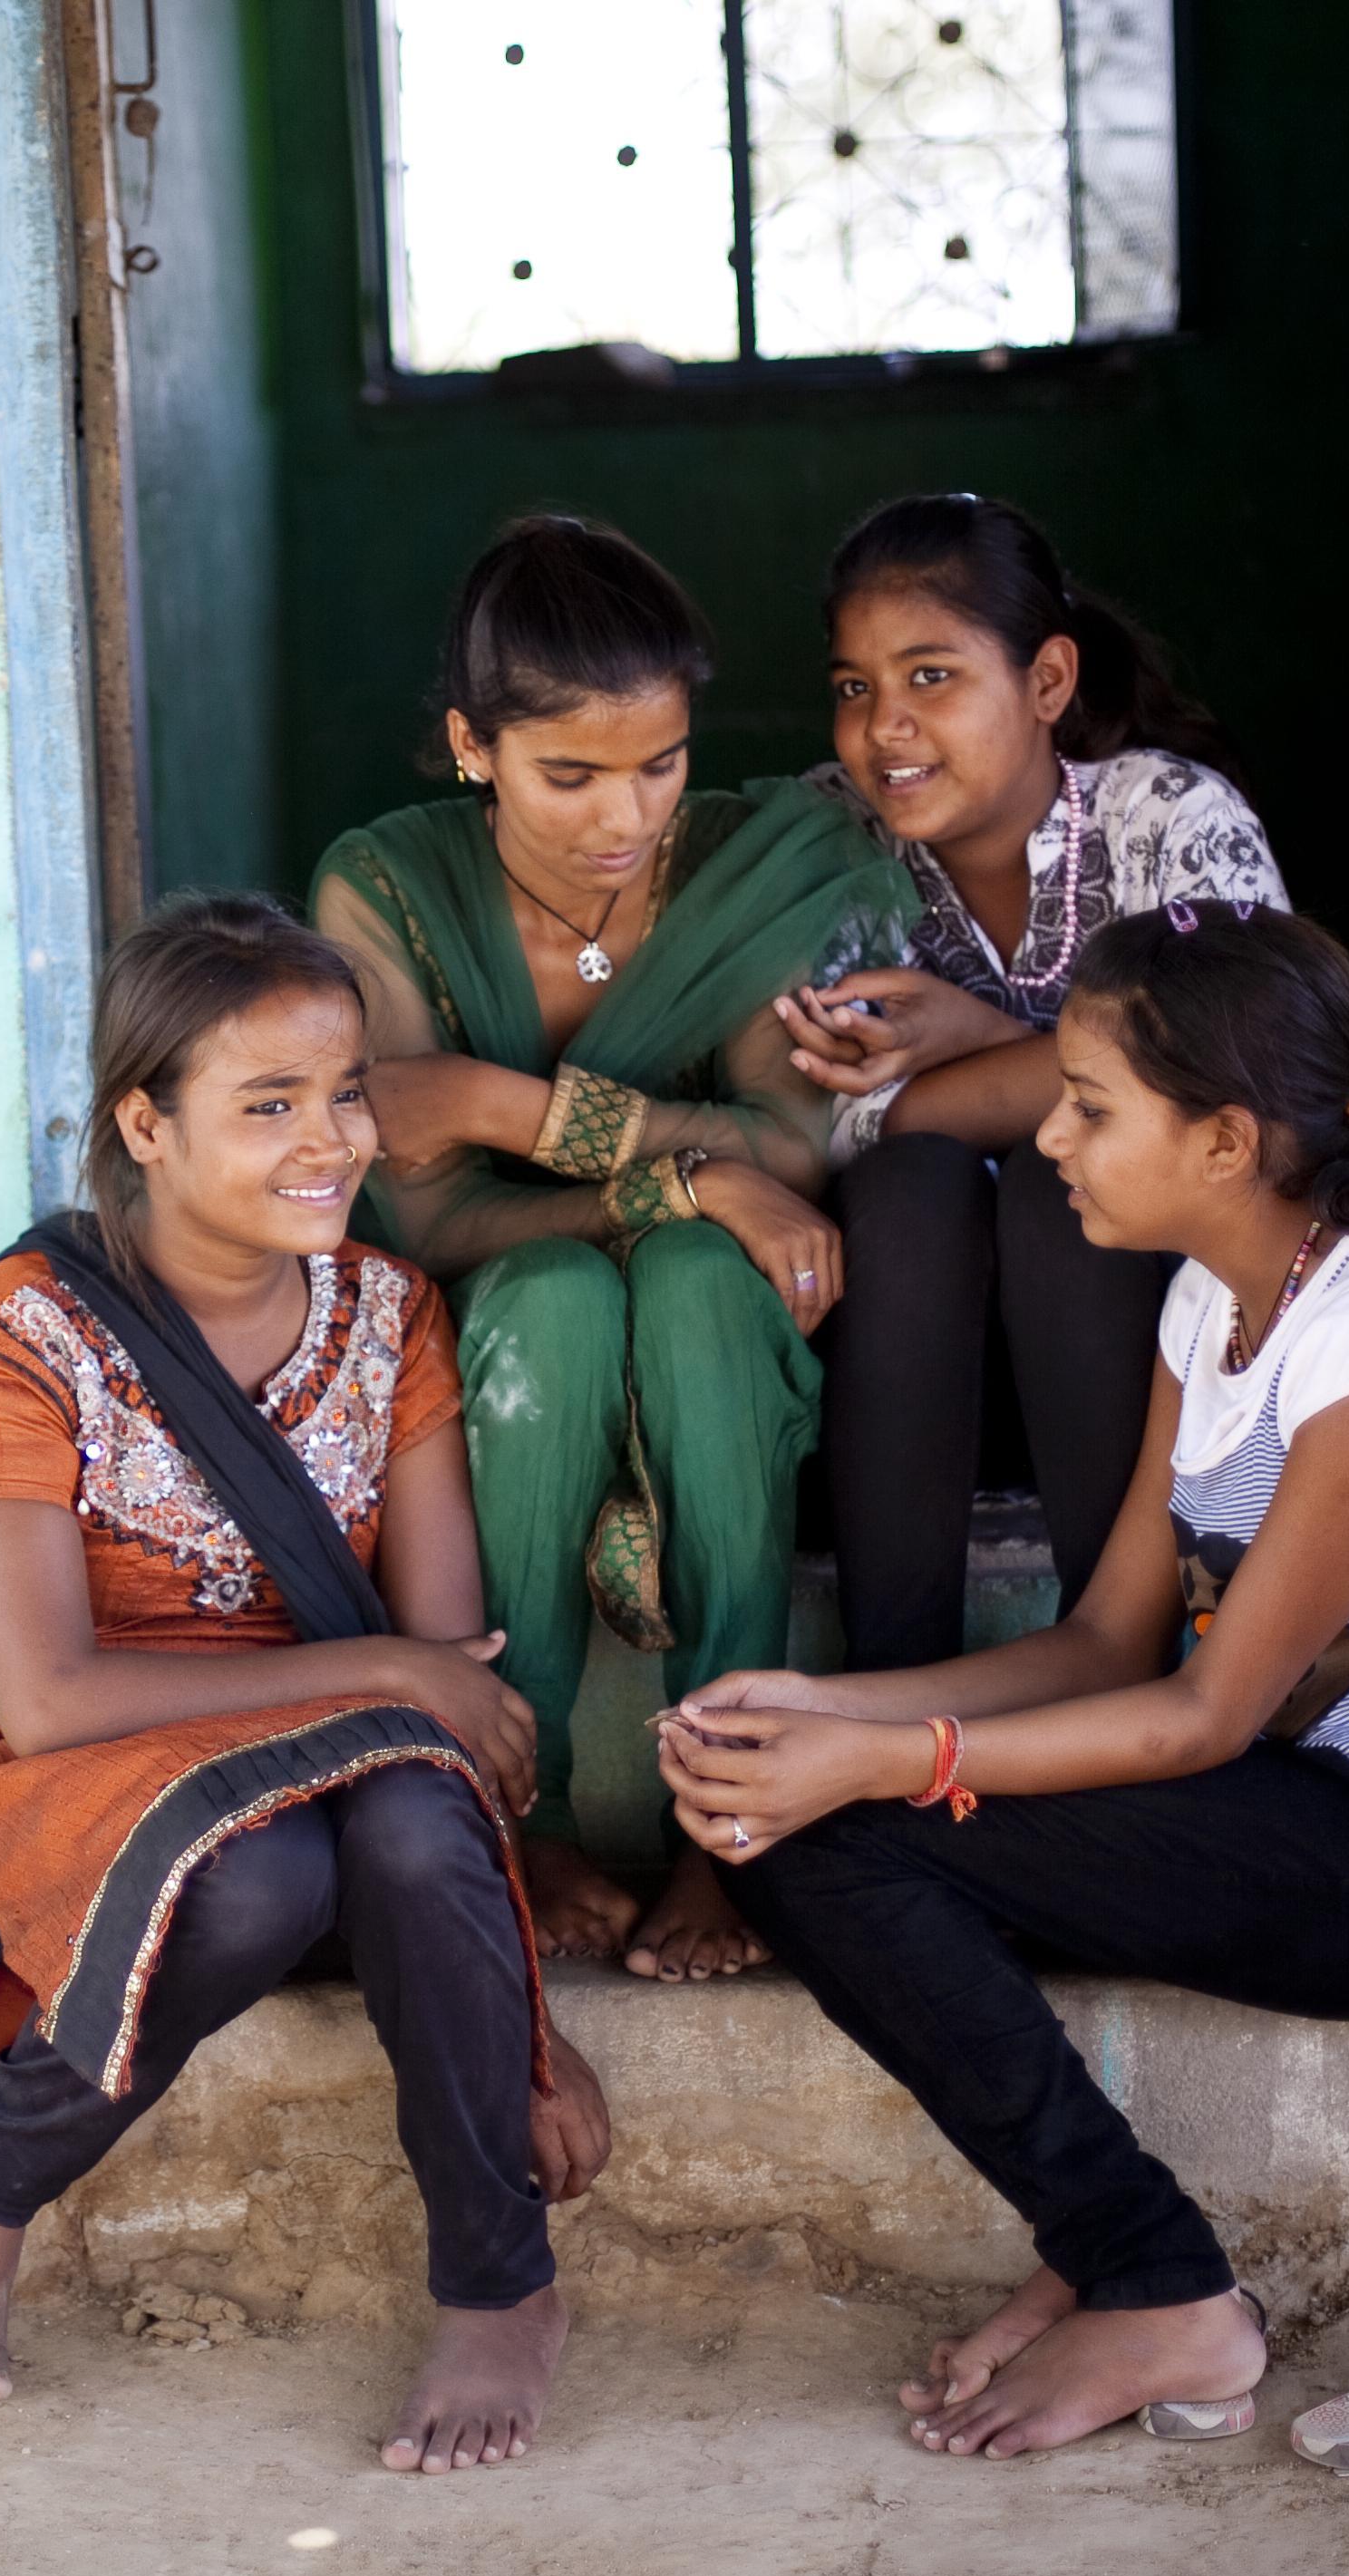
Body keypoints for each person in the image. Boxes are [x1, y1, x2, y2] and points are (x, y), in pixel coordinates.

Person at [660, 905, 1349, 2458]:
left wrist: (886, 1763)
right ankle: (1102, 2253)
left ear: (1223, 1142)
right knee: (802, 1828)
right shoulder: (1217, 1299)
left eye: (1090, 1107)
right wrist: (824, 1711)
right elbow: (1103, 1645)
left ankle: (1164, 2286)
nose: (1053, 1139)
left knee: (845, 1837)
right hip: (1304, 1800)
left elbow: (1204, 1715)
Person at [0, 895, 612, 2474]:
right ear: (144, 1123)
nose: (331, 1138)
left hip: (348, 1746)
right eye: (268, 1104)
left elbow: (453, 1673)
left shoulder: (385, 1316)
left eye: (344, 1091)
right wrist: (389, 1674)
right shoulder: (22, 1336)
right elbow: (57, 1693)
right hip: (90, 1760)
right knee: (250, 1882)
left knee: (418, 1830)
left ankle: (500, 2287)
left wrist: (519, 2014)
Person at [310, 515, 913, 1985]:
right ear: (473, 745)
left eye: (659, 762)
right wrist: (683, 1180)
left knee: (710, 1290)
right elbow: (439, 1220)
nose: (623, 816)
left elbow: (788, 1145)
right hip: (507, 1317)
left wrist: (499, 1105)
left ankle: (729, 1824)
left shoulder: (753, 866)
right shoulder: (384, 891)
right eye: (567, 774)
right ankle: (531, 1812)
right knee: (553, 1301)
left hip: (715, 1316)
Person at [772, 494, 1286, 1674]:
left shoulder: (1165, 820)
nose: (885, 729)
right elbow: (798, 1119)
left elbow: (1234, 1068)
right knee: (908, 1190)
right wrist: (995, 1080)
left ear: (1049, 681)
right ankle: (891, 1683)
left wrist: (975, 1041)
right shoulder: (828, 841)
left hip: (1152, 1355)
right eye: (855, 688)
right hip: (895, 1363)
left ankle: (1137, 1655)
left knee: (1061, 1197)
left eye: (933, 678)